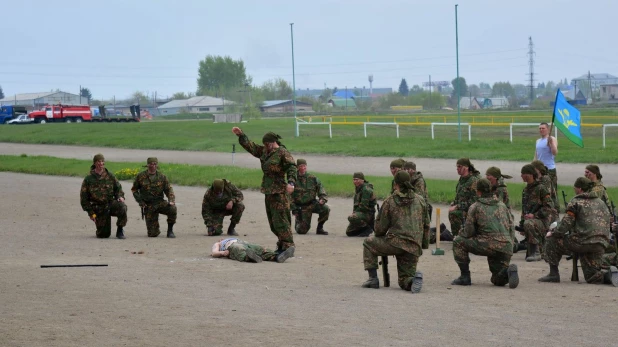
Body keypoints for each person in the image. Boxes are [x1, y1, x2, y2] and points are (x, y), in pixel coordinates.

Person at [539, 177, 618, 286]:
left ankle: (553, 274)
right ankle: (609, 275)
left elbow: (565, 224)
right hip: (600, 244)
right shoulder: (601, 203)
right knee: (592, 277)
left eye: (575, 187)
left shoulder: (576, 202)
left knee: (552, 240)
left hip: (582, 243)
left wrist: (553, 232)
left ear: (579, 189)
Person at [361, 171, 428, 292]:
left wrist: (378, 231)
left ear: (396, 184)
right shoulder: (420, 200)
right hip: (413, 246)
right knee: (404, 280)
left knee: (368, 242)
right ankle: (412, 280)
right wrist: (423, 245)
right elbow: (426, 224)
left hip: (395, 243)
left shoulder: (390, 201)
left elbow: (380, 229)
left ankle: (373, 279)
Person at [232, 127, 296, 254]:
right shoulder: (265, 151)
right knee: (273, 222)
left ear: (273, 143)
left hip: (279, 191)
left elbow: (292, 167)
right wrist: (241, 135)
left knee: (281, 220)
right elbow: (251, 147)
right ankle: (282, 244)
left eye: (267, 144)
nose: (265, 146)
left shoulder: (283, 152)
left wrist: (291, 182)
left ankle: (288, 246)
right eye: (264, 144)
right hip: (268, 190)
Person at [451, 178, 519, 288]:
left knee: (458, 242)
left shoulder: (475, 207)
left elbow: (468, 232)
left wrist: (461, 233)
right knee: (497, 280)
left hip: (488, 244)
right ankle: (507, 271)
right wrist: (510, 243)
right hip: (506, 246)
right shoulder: (502, 206)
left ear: (478, 191)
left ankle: (465, 276)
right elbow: (511, 227)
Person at [80, 153, 128, 239]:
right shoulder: (88, 179)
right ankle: (101, 226)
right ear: (94, 163)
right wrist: (91, 213)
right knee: (103, 235)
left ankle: (120, 230)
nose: (101, 163)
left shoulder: (110, 176)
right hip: (98, 207)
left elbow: (118, 189)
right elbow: (84, 199)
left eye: (102, 161)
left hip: (110, 203)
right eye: (99, 161)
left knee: (122, 207)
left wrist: (120, 197)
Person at [518, 164, 557, 262]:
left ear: (529, 175)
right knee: (526, 224)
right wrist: (522, 224)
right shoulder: (526, 190)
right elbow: (524, 209)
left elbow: (549, 206)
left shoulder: (541, 188)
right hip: (532, 221)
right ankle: (533, 250)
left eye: (523, 174)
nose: (521, 176)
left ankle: (536, 252)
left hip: (543, 221)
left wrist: (534, 215)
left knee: (529, 223)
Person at [131, 157, 177, 238]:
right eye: (151, 164)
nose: (153, 166)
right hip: (148, 205)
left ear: (157, 165)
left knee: (172, 208)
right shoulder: (141, 176)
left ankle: (170, 231)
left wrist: (171, 200)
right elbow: (134, 190)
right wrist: (140, 201)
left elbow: (169, 189)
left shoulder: (162, 177)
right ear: (147, 165)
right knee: (153, 234)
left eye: (155, 164)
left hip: (159, 202)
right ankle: (155, 228)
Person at [291, 159, 330, 235]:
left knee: (325, 209)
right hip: (301, 208)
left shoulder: (312, 178)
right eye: (301, 166)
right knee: (302, 231)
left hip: (312, 204)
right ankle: (298, 220)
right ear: (297, 168)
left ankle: (320, 228)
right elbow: (288, 196)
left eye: (304, 166)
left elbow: (321, 189)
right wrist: (294, 209)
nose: (303, 168)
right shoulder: (293, 179)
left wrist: (322, 199)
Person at [486, 166, 519, 253]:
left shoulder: (500, 188)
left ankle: (515, 246)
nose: (487, 177)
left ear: (495, 177)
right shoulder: (493, 186)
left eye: (489, 175)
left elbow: (498, 204)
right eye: (486, 175)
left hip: (503, 215)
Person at [448, 158, 481, 236]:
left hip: (473, 211)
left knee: (454, 214)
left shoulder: (474, 180)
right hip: (465, 208)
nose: (457, 169)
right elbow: (460, 195)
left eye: (459, 167)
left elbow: (474, 202)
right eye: (457, 167)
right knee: (452, 211)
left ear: (466, 167)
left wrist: (457, 206)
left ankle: (458, 237)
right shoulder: (463, 179)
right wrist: (454, 202)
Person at [211, 237, 294, 263]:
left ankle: (277, 257)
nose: (221, 239)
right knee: (239, 250)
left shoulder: (232, 238)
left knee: (259, 248)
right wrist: (222, 253)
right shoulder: (219, 244)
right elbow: (214, 253)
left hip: (245, 243)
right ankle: (250, 258)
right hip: (231, 246)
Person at [534, 122, 558, 207]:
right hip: (539, 170)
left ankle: (554, 208)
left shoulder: (552, 139)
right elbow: (536, 155)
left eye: (543, 128)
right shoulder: (538, 141)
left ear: (547, 129)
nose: (541, 130)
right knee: (540, 190)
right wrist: (533, 166)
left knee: (551, 191)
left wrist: (551, 144)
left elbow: (555, 153)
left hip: (549, 169)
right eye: (540, 128)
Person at [346, 172, 377, 237]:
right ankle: (363, 229)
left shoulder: (366, 190)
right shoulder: (359, 188)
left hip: (367, 213)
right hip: (362, 213)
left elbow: (364, 207)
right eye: (354, 179)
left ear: (362, 180)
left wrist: (355, 214)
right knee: (349, 232)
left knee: (351, 218)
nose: (355, 181)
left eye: (357, 179)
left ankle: (367, 228)